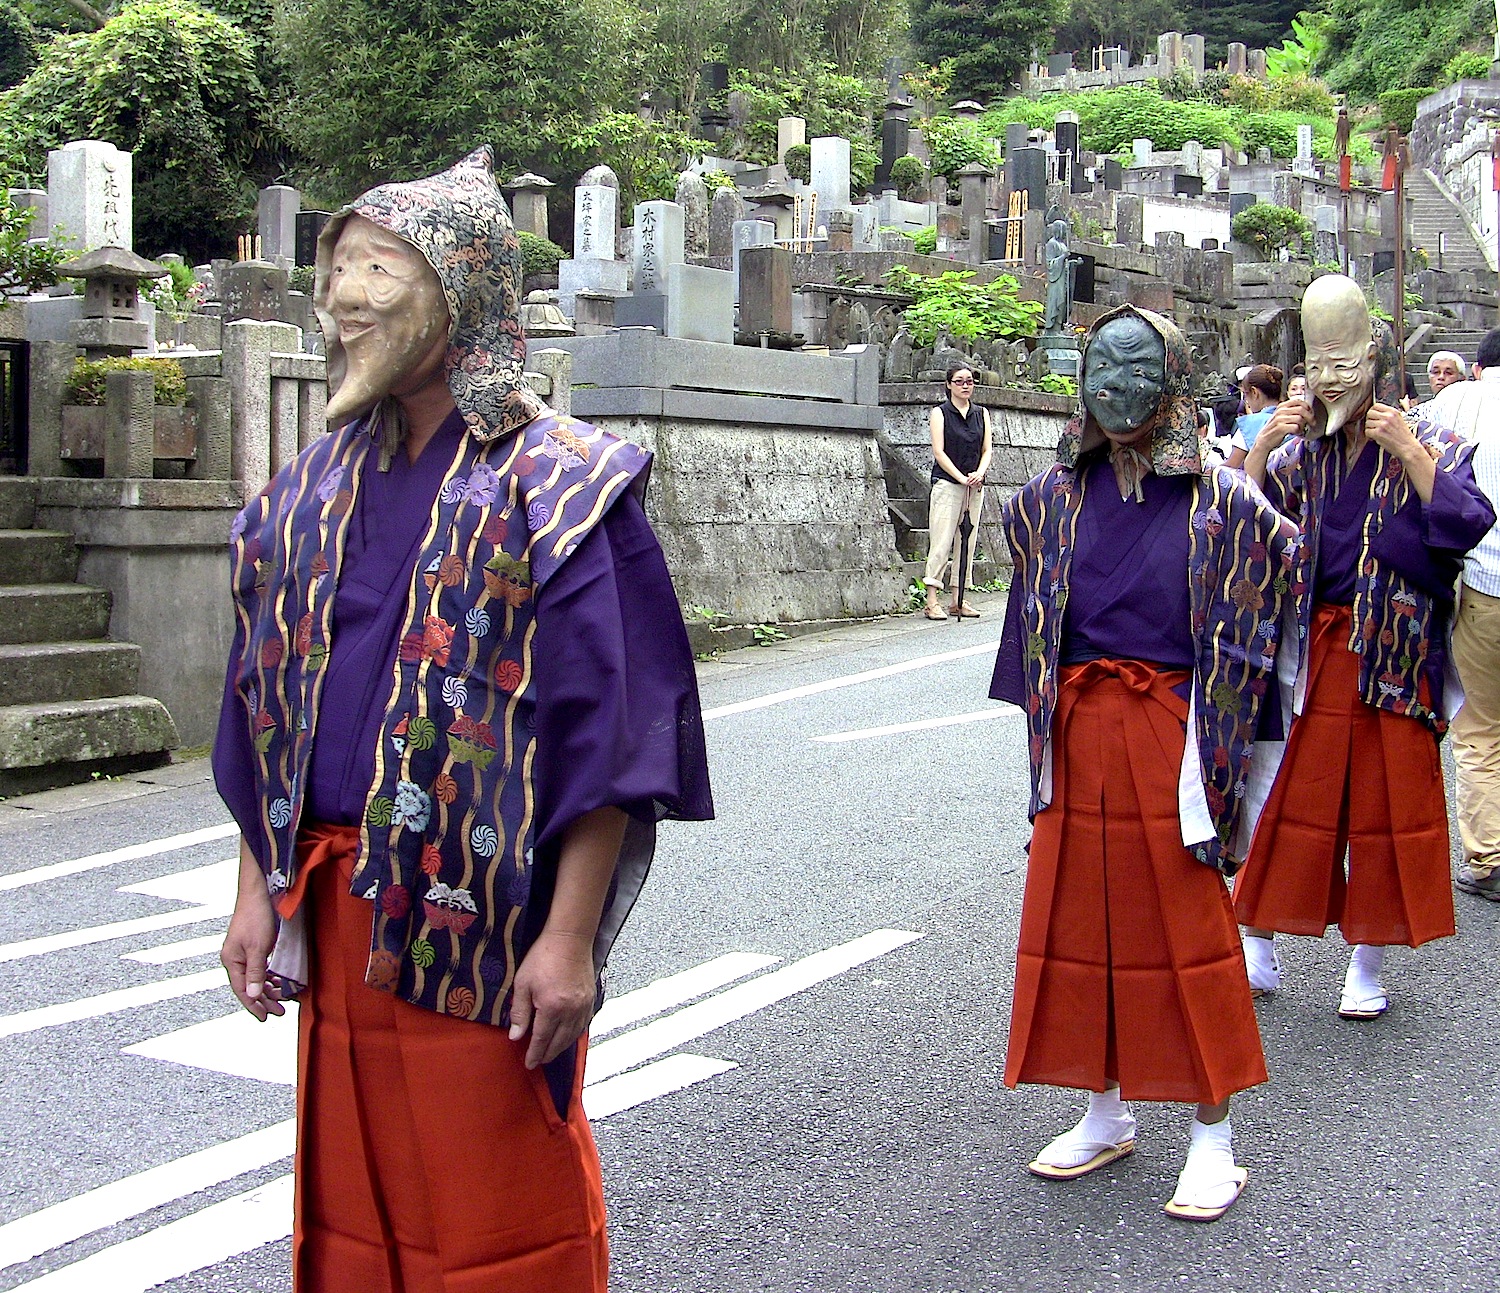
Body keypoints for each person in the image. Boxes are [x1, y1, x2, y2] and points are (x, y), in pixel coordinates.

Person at [214, 147, 713, 1292]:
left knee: (494, 1204)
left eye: (378, 267)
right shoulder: (306, 489)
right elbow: (264, 699)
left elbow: (613, 734)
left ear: (462, 288)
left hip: (482, 922)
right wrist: (256, 888)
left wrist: (570, 939)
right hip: (335, 908)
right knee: (358, 1196)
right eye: (339, 268)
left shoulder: (567, 484)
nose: (345, 299)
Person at [992, 305, 1298, 1223]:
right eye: (1099, 367)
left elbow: (1267, 633)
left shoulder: (1229, 503)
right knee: (1081, 928)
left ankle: (1214, 1138)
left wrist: (1234, 768)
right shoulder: (1044, 501)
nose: (1115, 387)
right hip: (1080, 737)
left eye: (1137, 368)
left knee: (1188, 936)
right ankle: (1104, 1107)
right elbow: (1033, 647)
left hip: (1175, 733)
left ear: (1174, 381)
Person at [1233, 275, 1494, 1021]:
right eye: (1320, 366)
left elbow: (1468, 520)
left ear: (1376, 356)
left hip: (1394, 649)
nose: (1332, 381)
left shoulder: (1431, 438)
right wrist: (1265, 446)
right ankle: (1259, 941)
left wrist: (1409, 450)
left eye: (1345, 364)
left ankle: (1366, 960)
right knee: (1285, 794)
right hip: (1310, 650)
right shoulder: (1302, 453)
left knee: (1382, 810)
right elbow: (1243, 522)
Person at [1424, 328, 1500, 901]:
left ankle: (1489, 858)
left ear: (1478, 368)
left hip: (1486, 584)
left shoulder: (1458, 402)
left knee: (1479, 727)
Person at [923, 364, 991, 620]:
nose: (966, 385)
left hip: (974, 485)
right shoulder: (940, 413)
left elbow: (987, 450)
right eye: (960, 381)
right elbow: (939, 452)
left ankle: (958, 598)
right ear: (949, 384)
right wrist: (960, 477)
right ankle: (931, 600)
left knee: (967, 541)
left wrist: (979, 474)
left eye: (970, 381)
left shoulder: (981, 413)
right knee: (941, 540)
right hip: (947, 484)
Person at [1225, 364, 1284, 470]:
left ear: (1254, 392)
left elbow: (1230, 468)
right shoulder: (1293, 417)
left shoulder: (1250, 425)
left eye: (1245, 394)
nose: (1246, 401)